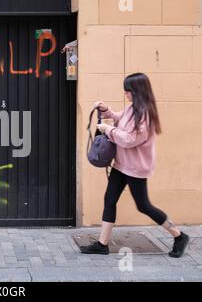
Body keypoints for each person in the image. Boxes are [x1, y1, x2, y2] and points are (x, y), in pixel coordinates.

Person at [79, 72, 190, 258]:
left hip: (136, 168)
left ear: (137, 91)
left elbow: (130, 140)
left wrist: (108, 130)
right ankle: (102, 244)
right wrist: (106, 110)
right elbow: (117, 118)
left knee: (144, 206)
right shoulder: (132, 109)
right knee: (109, 200)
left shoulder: (145, 115)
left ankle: (179, 236)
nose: (125, 93)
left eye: (128, 90)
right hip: (121, 164)